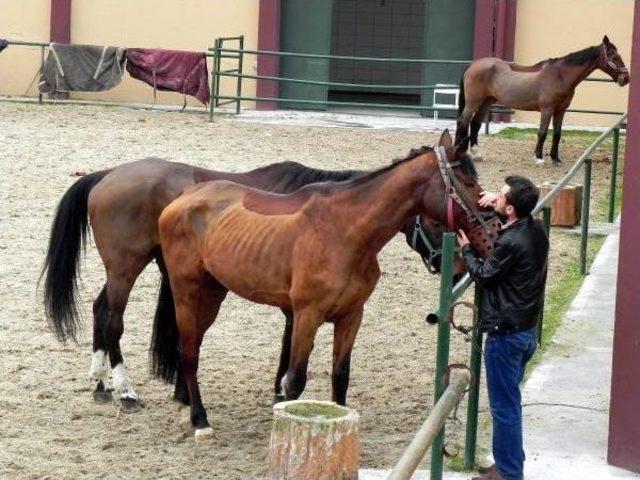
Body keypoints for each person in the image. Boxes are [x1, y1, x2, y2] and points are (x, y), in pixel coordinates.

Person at [457, 175, 549, 480]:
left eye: (501, 195)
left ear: (510, 209)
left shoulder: (510, 241)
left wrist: (467, 249)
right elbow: (506, 227)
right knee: (510, 403)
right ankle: (508, 463)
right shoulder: (535, 229)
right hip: (526, 332)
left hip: (505, 337)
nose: (496, 195)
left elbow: (484, 275)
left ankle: (509, 473)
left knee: (504, 408)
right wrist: (494, 201)